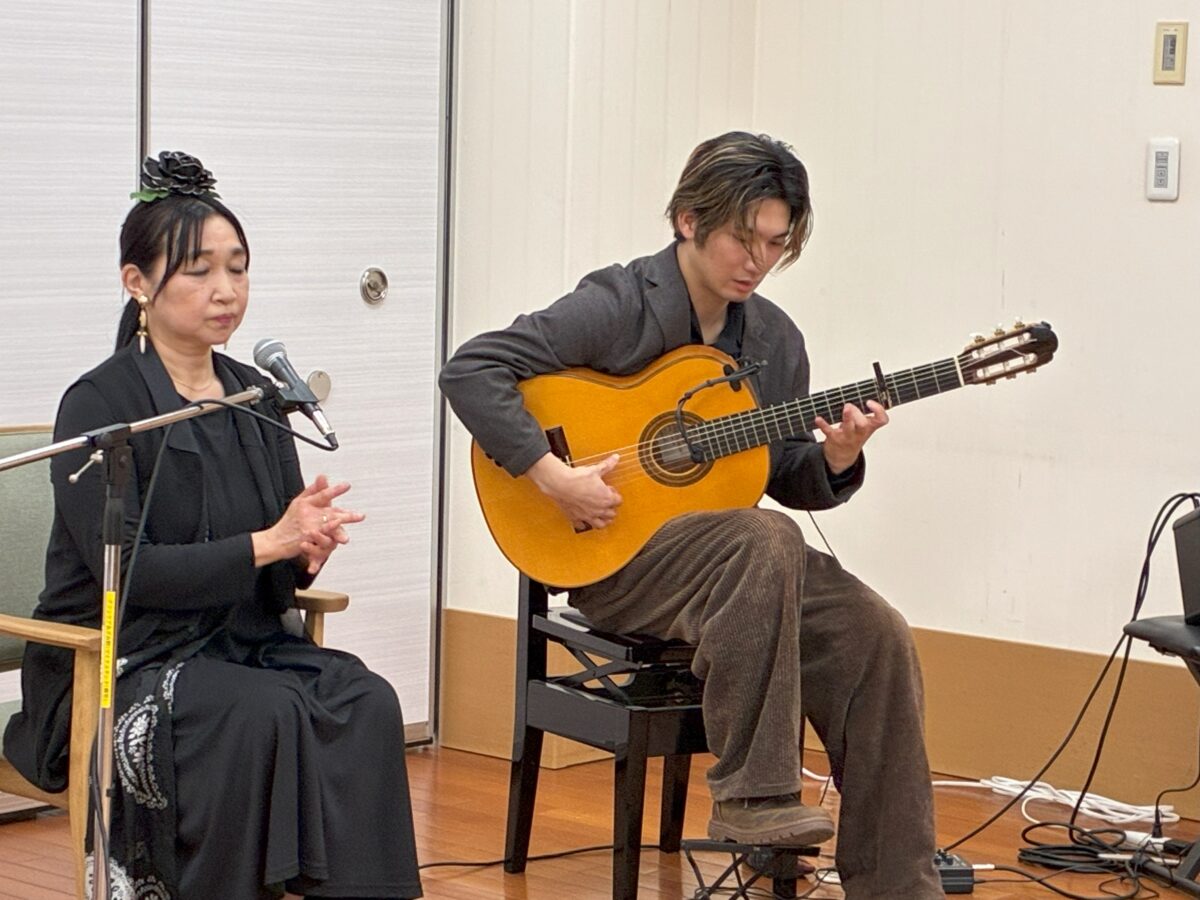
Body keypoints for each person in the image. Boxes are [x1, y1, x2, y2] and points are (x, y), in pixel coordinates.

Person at [439, 132, 943, 898]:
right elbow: (472, 368)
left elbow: (782, 474)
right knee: (766, 538)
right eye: (743, 238)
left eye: (775, 243)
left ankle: (899, 885)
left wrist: (838, 457)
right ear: (688, 220)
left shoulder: (773, 340)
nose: (758, 260)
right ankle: (753, 798)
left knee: (876, 632)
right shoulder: (618, 305)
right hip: (618, 562)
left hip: (737, 570)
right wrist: (553, 475)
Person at [2, 151, 423, 900]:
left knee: (367, 701)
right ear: (137, 283)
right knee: (260, 715)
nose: (225, 291)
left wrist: (305, 549)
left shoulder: (255, 395)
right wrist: (270, 543)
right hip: (122, 661)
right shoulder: (101, 405)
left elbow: (274, 562)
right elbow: (131, 574)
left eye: (238, 269)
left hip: (238, 643)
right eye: (198, 271)